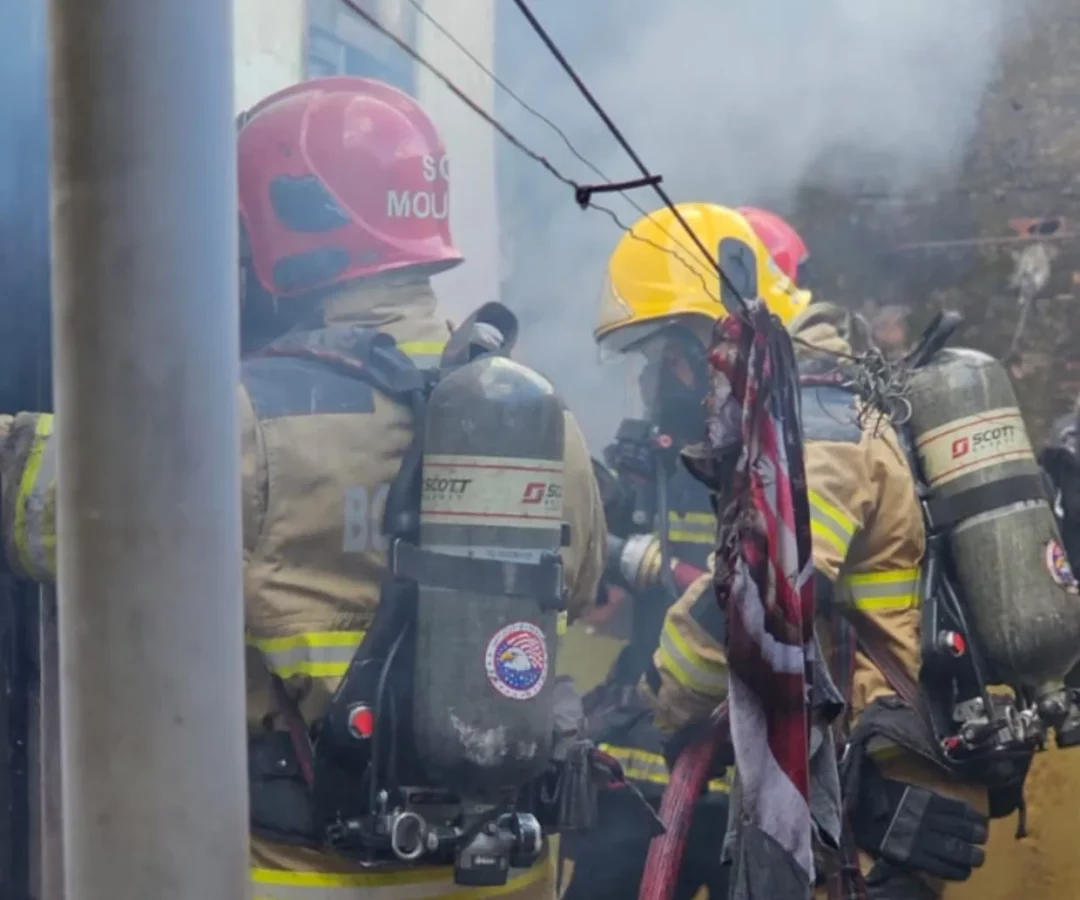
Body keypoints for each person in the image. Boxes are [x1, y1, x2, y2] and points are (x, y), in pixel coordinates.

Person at [0, 75, 606, 900]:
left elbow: (51, 504)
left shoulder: (242, 416)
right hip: (502, 874)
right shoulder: (545, 420)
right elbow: (580, 583)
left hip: (308, 877)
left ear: (278, 236)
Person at [595, 201, 991, 899]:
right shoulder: (803, 400)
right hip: (837, 801)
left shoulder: (818, 422)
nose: (661, 382)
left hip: (865, 825)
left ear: (710, 333)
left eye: (663, 354)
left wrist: (653, 700)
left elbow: (761, 588)